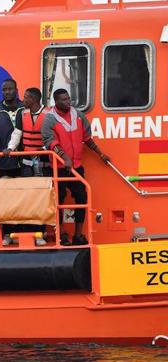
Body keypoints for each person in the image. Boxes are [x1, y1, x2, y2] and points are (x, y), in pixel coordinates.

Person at [42, 89, 111, 246]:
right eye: (64, 99)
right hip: (58, 168)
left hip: (76, 167)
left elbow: (87, 138)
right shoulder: (49, 119)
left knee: (81, 198)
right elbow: (50, 142)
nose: (68, 102)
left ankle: (78, 235)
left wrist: (101, 154)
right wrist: (65, 158)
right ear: (56, 102)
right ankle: (61, 234)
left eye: (68, 98)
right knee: (57, 200)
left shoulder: (78, 116)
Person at [4, 87, 49, 246]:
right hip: (26, 164)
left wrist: (43, 151)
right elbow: (17, 133)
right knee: (27, 199)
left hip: (44, 164)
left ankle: (40, 233)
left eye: (26, 97)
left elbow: (51, 138)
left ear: (34, 99)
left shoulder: (48, 115)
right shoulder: (21, 113)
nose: (23, 100)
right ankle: (27, 232)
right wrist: (10, 148)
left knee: (42, 200)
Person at [0, 78, 24, 245]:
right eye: (4, 90)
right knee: (6, 199)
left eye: (10, 89)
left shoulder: (25, 108)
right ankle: (7, 234)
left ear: (16, 89)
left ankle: (27, 234)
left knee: (25, 198)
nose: (7, 92)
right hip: (3, 162)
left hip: (25, 162)